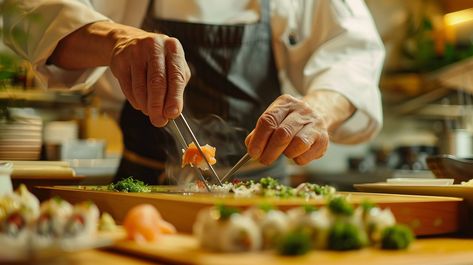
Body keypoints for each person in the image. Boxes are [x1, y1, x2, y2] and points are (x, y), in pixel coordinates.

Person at [2, 0, 384, 184]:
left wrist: (317, 108)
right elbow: (25, 12)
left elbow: (353, 50)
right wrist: (114, 38)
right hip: (141, 188)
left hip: (263, 193)